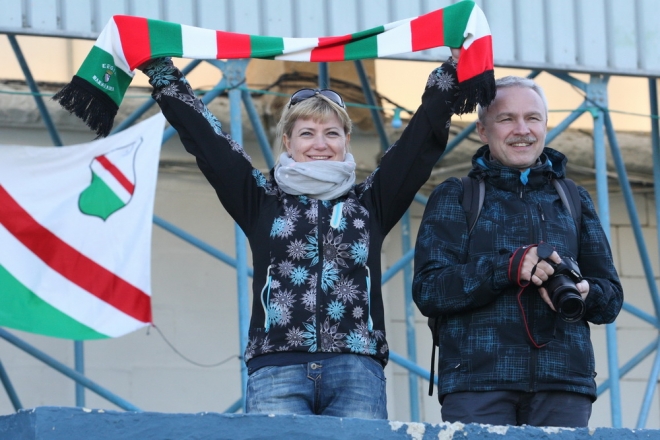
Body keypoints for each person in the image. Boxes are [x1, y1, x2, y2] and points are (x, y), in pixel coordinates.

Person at [139, 49, 481, 418]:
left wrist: (455, 67)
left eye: (331, 133)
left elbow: (418, 142)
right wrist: (163, 74)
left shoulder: (371, 203)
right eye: (307, 133)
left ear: (346, 140)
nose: (320, 143)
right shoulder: (261, 201)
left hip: (356, 371)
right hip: (276, 369)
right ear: (288, 142)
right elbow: (207, 141)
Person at [412, 76, 623, 427]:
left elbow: (611, 297)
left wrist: (585, 292)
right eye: (506, 119)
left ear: (545, 125)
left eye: (532, 118)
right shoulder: (456, 195)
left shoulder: (573, 198)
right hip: (477, 385)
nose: (521, 130)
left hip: (564, 384)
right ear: (483, 130)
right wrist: (507, 269)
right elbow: (429, 291)